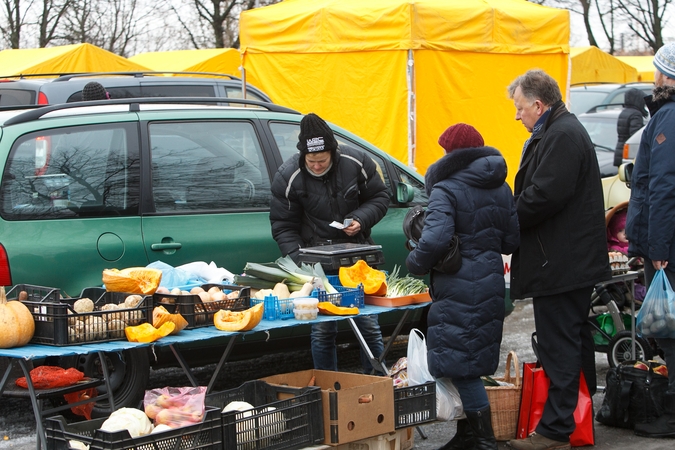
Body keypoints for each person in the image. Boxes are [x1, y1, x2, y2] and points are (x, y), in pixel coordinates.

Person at [506, 69, 612, 450]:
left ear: (538, 104)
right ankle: (577, 421)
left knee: (559, 343)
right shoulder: (558, 130)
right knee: (572, 339)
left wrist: (507, 220)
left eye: (520, 108)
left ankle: (555, 429)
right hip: (567, 260)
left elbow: (544, 196)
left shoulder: (562, 134)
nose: (517, 116)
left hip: (563, 263)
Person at [405, 123, 519, 450]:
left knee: (464, 367)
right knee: (469, 359)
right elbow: (511, 240)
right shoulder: (501, 187)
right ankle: (467, 436)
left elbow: (436, 238)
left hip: (459, 283)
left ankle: (485, 442)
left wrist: (415, 262)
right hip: (490, 278)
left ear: (452, 155)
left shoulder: (446, 188)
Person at [269, 112, 389, 374]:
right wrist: (301, 265)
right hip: (317, 265)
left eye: (321, 160)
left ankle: (377, 381)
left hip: (358, 259)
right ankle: (329, 385)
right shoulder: (288, 176)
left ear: (333, 151)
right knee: (323, 329)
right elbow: (283, 226)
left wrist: (361, 219)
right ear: (303, 155)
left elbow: (380, 196)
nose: (316, 166)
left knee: (368, 325)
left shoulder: (355, 161)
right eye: (311, 161)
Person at [625, 42, 675, 439]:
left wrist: (656, 249)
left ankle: (671, 415)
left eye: (657, 70)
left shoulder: (669, 117)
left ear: (665, 76)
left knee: (670, 331)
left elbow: (662, 187)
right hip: (666, 241)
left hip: (669, 247)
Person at [613, 87, 648, 167]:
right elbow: (635, 134)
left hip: (619, 150)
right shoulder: (636, 114)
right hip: (629, 152)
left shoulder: (624, 112)